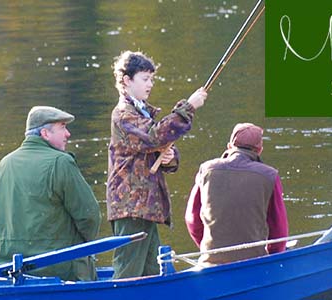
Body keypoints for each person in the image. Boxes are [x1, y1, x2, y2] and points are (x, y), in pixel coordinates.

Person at [106, 50, 208, 279]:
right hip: (131, 206)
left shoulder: (142, 113)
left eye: (151, 79)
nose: (150, 84)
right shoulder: (123, 114)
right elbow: (153, 137)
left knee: (151, 272)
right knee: (128, 272)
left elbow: (157, 146)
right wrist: (189, 107)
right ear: (126, 80)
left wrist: (170, 158)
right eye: (145, 79)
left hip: (145, 207)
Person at [0, 106, 102, 281]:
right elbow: (89, 216)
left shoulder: (4, 164)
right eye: (62, 127)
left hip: (7, 268)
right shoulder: (61, 162)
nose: (68, 134)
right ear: (45, 133)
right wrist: (85, 246)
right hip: (58, 269)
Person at [184, 123, 288, 266]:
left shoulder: (207, 169)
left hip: (210, 262)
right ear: (259, 150)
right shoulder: (269, 175)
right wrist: (273, 256)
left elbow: (192, 219)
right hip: (254, 263)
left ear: (229, 146)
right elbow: (279, 228)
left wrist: (209, 250)